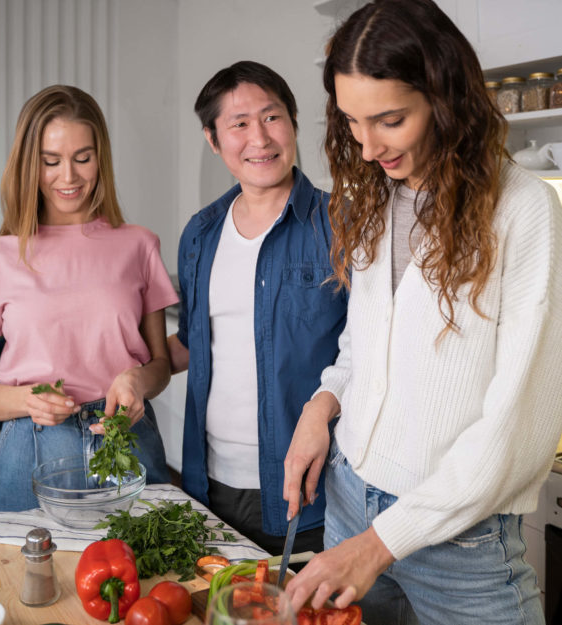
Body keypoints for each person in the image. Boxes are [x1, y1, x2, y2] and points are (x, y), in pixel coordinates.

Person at [282, 1, 562, 623]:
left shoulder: (524, 211)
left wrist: (381, 544)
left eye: (389, 119)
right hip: (351, 497)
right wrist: (322, 405)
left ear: (445, 97)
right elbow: (365, 342)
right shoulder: (375, 195)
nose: (367, 144)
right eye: (352, 121)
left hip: (460, 541)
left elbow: (516, 430)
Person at [0, 84, 179, 511]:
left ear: (101, 158)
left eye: (83, 158)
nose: (69, 177)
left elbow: (160, 367)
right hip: (31, 447)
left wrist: (137, 381)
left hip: (128, 442)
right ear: (28, 164)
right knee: (34, 576)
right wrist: (27, 400)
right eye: (50, 161)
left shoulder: (139, 245)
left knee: (149, 571)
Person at [167, 61, 347, 556]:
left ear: (291, 122)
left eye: (271, 118)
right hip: (211, 485)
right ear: (213, 139)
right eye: (239, 124)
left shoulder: (342, 225)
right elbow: (192, 343)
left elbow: (370, 352)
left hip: (312, 489)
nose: (259, 139)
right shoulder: (200, 234)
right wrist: (131, 369)